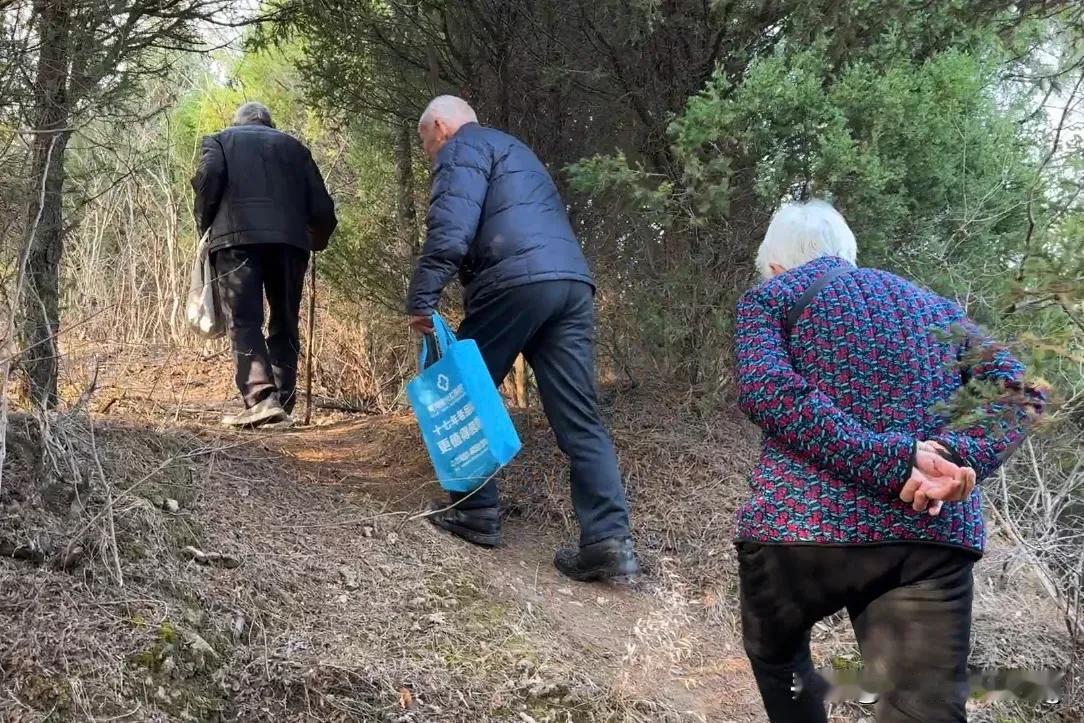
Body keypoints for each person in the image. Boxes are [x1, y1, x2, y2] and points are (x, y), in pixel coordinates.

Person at [733, 200, 1044, 722]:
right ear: (847, 253)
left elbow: (769, 391)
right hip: (928, 534)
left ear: (777, 266)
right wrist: (950, 459)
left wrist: (893, 459)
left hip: (802, 529)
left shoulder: (774, 295)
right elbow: (1025, 393)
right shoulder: (938, 308)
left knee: (777, 655)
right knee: (922, 705)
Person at [406, 95, 639, 582]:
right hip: (570, 285)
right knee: (580, 416)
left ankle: (475, 514)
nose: (431, 155)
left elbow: (450, 228)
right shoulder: (517, 151)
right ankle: (609, 542)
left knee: (463, 389)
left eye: (427, 144)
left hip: (514, 282)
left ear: (442, 128)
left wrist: (423, 298)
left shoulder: (461, 149)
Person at [191, 102, 337, 428]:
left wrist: (205, 225)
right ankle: (282, 401)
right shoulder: (295, 148)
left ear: (237, 121)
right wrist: (316, 240)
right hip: (290, 244)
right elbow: (323, 207)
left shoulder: (219, 140)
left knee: (244, 321)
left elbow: (209, 177)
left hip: (235, 239)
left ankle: (261, 399)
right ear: (269, 124)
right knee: (284, 320)